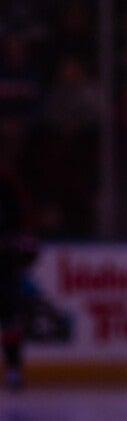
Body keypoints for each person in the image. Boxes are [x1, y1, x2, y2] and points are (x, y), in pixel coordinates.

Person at [0, 163, 38, 390]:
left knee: (10, 319)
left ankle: (13, 369)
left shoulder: (8, 185)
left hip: (6, 270)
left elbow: (26, 230)